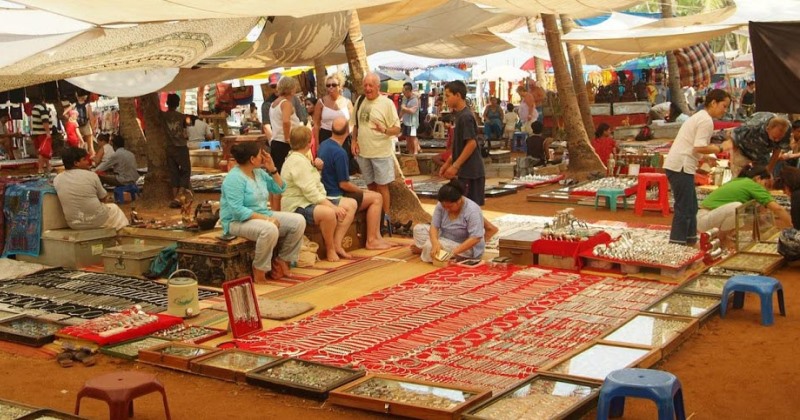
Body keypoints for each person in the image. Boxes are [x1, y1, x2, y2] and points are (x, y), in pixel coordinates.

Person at [220, 142, 305, 283]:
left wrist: (272, 169)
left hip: (262, 214)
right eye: (261, 155)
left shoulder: (258, 173)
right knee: (269, 229)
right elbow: (237, 211)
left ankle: (282, 261)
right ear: (252, 159)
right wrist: (266, 219)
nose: (264, 157)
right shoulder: (234, 178)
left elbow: (279, 189)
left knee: (298, 221)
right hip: (236, 222)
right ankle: (259, 269)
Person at [663, 89, 733, 245]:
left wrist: (706, 156)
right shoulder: (705, 120)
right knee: (685, 207)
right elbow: (699, 146)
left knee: (691, 207)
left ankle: (689, 240)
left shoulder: (701, 117)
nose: (725, 110)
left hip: (681, 164)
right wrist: (721, 148)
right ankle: (677, 243)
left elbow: (695, 147)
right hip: (681, 166)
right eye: (724, 106)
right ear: (713, 103)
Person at [281, 126, 357, 262]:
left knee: (351, 204)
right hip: (298, 204)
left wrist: (318, 169)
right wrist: (333, 207)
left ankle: (337, 244)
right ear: (309, 142)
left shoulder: (302, 158)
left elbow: (313, 185)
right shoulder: (297, 161)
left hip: (309, 199)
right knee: (329, 213)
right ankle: (330, 249)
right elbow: (311, 193)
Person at [318, 117, 392, 251]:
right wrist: (361, 191)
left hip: (326, 191)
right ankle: (372, 239)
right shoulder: (340, 153)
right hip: (336, 195)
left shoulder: (323, 144)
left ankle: (377, 237)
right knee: (376, 197)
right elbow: (344, 184)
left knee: (370, 194)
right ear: (347, 132)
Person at [697, 165, 792, 248]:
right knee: (736, 207)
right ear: (758, 179)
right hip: (704, 220)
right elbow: (778, 209)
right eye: (767, 185)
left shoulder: (739, 181)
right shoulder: (751, 185)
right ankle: (722, 239)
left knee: (739, 210)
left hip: (703, 219)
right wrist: (793, 228)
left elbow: (761, 217)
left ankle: (723, 238)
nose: (766, 190)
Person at [352, 72, 401, 219]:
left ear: (378, 87)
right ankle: (375, 216)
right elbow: (356, 125)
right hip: (363, 153)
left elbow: (397, 129)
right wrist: (354, 141)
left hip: (381, 153)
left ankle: (385, 218)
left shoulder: (387, 104)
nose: (367, 88)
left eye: (370, 85)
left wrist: (385, 130)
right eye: (365, 85)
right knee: (371, 186)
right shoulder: (360, 100)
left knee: (382, 186)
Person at [53, 147, 129, 231]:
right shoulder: (91, 175)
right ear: (76, 163)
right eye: (84, 160)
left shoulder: (57, 179)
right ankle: (122, 238)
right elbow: (103, 198)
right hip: (96, 220)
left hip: (73, 224)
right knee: (114, 209)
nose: (87, 162)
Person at [412, 179, 485, 263]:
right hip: (444, 237)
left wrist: (453, 252)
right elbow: (434, 226)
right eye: (444, 206)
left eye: (450, 206)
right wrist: (435, 243)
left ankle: (431, 251)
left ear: (459, 201)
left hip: (465, 246)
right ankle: (434, 250)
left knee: (429, 245)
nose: (446, 209)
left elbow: (476, 238)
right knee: (418, 229)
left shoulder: (472, 210)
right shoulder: (441, 205)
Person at [439, 80, 486, 205]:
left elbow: (471, 144)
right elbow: (459, 146)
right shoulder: (459, 115)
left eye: (448, 96)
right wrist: (448, 163)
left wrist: (455, 166)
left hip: (471, 172)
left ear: (458, 95)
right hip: (465, 171)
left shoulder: (465, 116)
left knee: (470, 209)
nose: (446, 99)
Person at [727, 112, 791, 178]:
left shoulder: (787, 129)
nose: (777, 140)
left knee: (763, 181)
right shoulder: (753, 125)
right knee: (739, 179)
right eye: (774, 137)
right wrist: (732, 158)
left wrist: (768, 171)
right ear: (767, 129)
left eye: (780, 138)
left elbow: (777, 150)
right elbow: (733, 137)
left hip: (762, 155)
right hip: (743, 149)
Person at [313, 74, 354, 160]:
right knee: (328, 164)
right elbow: (316, 124)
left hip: (344, 136)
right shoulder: (321, 102)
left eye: (334, 85)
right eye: (328, 85)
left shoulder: (347, 102)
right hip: (326, 136)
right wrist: (317, 144)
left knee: (344, 163)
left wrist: (350, 138)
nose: (331, 87)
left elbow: (352, 123)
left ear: (340, 87)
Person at [163, 93, 192, 208]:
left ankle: (175, 197)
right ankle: (179, 196)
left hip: (169, 147)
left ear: (167, 103)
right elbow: (186, 133)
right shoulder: (182, 117)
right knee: (186, 170)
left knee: (173, 172)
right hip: (181, 147)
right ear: (178, 104)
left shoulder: (162, 116)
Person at [30, 95, 52, 174]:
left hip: (36, 132)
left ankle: (48, 166)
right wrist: (48, 132)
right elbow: (45, 121)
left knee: (42, 151)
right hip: (42, 133)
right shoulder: (42, 108)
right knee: (43, 152)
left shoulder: (34, 108)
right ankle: (41, 168)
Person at [399, 82, 420, 155]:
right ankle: (410, 151)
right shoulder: (405, 98)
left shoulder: (415, 100)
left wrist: (405, 108)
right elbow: (402, 109)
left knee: (413, 137)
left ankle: (415, 151)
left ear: (408, 91)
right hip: (406, 121)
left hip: (413, 122)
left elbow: (412, 111)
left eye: (404, 92)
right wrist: (399, 118)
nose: (404, 93)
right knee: (407, 137)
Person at [74, 89, 96, 156]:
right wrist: (93, 128)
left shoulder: (74, 105)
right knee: (90, 146)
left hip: (77, 127)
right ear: (85, 96)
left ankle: (80, 161)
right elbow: (91, 117)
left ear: (77, 95)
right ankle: (92, 162)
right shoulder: (87, 105)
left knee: (80, 146)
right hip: (86, 126)